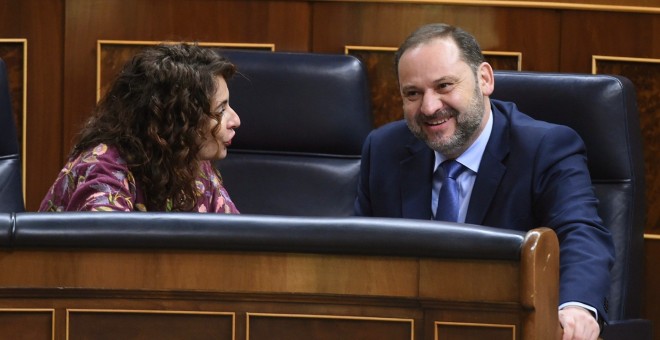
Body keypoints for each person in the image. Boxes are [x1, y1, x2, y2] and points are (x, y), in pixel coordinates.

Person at [354, 23, 614, 340]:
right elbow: (357, 252)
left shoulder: (545, 147)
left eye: (444, 86)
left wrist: (575, 307)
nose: (429, 107)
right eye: (413, 93)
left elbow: (581, 231)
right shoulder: (383, 150)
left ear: (485, 79)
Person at [39, 43, 240, 213]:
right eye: (220, 110)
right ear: (177, 120)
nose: (236, 120)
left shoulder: (190, 163)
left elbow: (239, 242)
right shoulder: (104, 168)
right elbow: (103, 251)